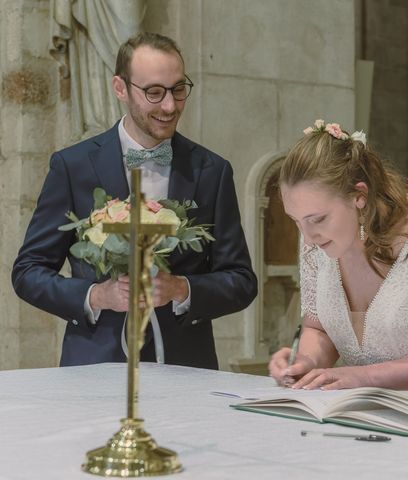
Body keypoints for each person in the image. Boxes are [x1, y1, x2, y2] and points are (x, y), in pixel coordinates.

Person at [12, 32, 257, 369]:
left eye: (178, 89)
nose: (170, 106)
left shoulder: (211, 171)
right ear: (120, 88)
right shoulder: (73, 166)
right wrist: (96, 296)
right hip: (93, 366)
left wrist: (180, 289)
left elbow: (241, 281)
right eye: (154, 92)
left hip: (185, 368)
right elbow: (28, 272)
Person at [268, 119, 408, 393]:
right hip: (360, 415)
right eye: (296, 221)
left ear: (359, 196)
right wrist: (305, 362)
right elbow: (319, 330)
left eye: (317, 219)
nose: (306, 237)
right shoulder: (316, 239)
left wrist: (366, 377)